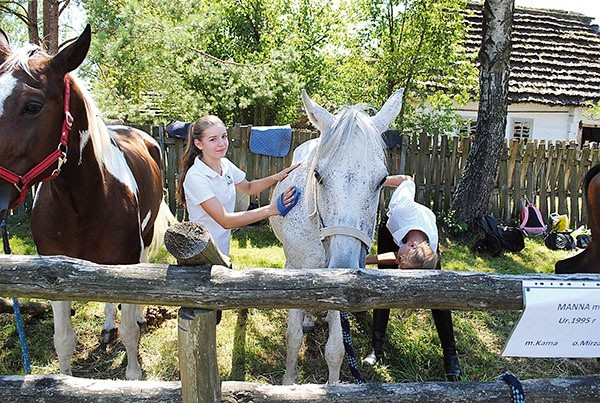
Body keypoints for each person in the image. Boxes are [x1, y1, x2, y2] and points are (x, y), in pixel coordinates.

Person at [362, 174, 462, 382]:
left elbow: (401, 258)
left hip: (415, 244)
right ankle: (377, 348)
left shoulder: (430, 249)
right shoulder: (403, 209)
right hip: (393, 228)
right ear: (411, 247)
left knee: (439, 297)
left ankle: (451, 357)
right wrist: (377, 180)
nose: (399, 264)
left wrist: (399, 260)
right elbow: (407, 180)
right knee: (385, 284)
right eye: (401, 261)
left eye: (401, 264)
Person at [176, 115, 300, 256]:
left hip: (221, 250)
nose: (222, 143)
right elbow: (225, 221)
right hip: (199, 253)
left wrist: (276, 177)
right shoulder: (196, 177)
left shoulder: (225, 164)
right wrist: (272, 209)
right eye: (213, 139)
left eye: (224, 136)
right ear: (199, 144)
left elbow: (248, 188)